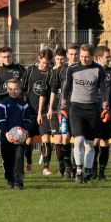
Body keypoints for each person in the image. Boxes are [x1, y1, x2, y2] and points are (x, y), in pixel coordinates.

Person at [61, 44, 109, 184]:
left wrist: (105, 105)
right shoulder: (73, 69)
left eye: (87, 57)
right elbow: (66, 87)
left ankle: (88, 173)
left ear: (92, 56)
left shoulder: (98, 69)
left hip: (92, 109)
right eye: (81, 56)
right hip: (76, 109)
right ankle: (79, 170)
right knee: (78, 140)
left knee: (90, 144)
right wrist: (63, 103)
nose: (83, 59)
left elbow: (104, 89)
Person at [48, 45, 79, 178]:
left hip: (79, 110)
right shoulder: (61, 71)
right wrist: (50, 108)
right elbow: (54, 90)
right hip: (64, 110)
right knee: (65, 137)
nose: (74, 56)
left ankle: (77, 166)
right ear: (68, 56)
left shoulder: (83, 69)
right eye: (71, 54)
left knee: (78, 140)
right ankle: (67, 166)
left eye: (75, 54)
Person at [21, 48, 53, 174]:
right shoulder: (30, 71)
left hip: (45, 112)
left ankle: (46, 167)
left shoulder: (51, 73)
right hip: (30, 111)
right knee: (28, 140)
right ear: (39, 59)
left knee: (46, 139)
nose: (45, 65)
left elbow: (52, 93)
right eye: (43, 62)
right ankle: (28, 162)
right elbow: (23, 90)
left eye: (48, 63)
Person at [92, 46, 111, 180]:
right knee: (94, 141)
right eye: (107, 57)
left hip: (109, 112)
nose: (110, 59)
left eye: (110, 56)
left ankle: (102, 172)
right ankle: (92, 169)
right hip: (93, 111)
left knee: (105, 141)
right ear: (99, 58)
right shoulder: (92, 71)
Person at [0, 79, 32, 190]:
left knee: (19, 157)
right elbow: (0, 121)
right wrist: (6, 133)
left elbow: (28, 120)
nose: (13, 91)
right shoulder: (2, 105)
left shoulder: (24, 105)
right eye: (11, 89)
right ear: (7, 90)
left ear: (20, 89)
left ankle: (18, 181)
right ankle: (10, 179)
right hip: (6, 137)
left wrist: (25, 131)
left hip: (20, 138)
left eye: (16, 89)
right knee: (8, 159)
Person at [45, 48, 68, 177]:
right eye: (57, 59)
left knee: (66, 138)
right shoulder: (51, 73)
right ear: (54, 59)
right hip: (54, 110)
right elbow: (48, 92)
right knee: (58, 138)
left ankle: (69, 164)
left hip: (66, 110)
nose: (59, 61)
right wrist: (49, 108)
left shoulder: (68, 72)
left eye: (62, 59)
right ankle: (61, 166)